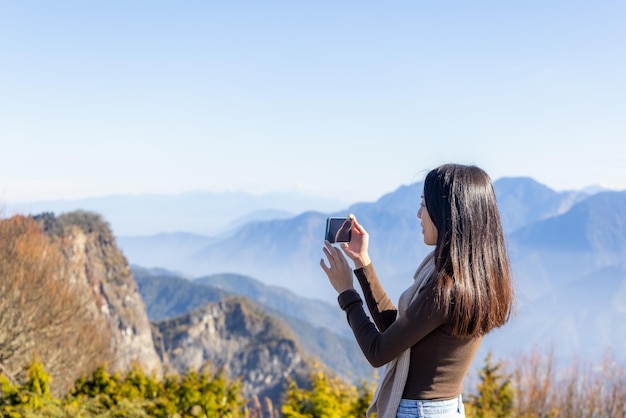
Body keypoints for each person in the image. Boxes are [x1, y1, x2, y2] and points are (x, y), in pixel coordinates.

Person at [320, 163, 514, 418]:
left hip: (420, 412)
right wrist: (362, 262)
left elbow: (378, 351)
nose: (418, 214)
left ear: (447, 213)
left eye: (424, 204)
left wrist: (347, 293)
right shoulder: (475, 275)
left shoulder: (445, 289)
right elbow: (397, 331)